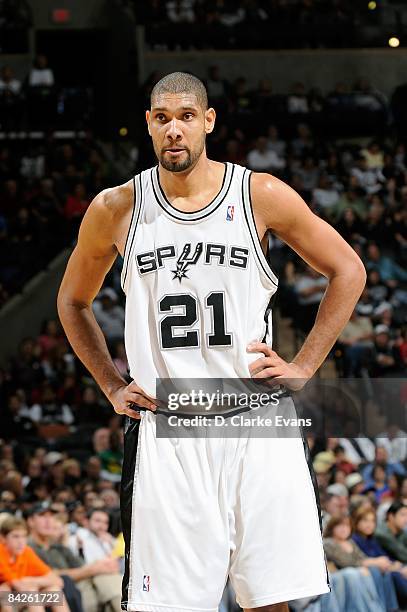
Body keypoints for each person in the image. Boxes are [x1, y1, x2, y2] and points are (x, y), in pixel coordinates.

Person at [57, 72, 366, 612]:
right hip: (170, 430)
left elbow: (349, 269)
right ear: (149, 125)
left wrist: (305, 365)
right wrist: (110, 382)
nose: (173, 129)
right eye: (161, 118)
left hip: (257, 422)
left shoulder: (259, 194)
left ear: (208, 121)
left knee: (270, 601)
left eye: (185, 117)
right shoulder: (117, 208)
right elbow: (72, 302)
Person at [0, 515, 70, 612]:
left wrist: (32, 581)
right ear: (3, 538)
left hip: (17, 598)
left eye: (24, 536)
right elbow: (18, 585)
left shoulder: (26, 551)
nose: (21, 542)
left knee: (54, 591)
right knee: (9, 590)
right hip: (7, 599)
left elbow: (58, 581)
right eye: (15, 536)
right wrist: (32, 583)